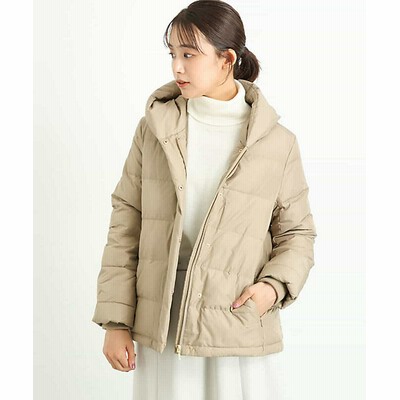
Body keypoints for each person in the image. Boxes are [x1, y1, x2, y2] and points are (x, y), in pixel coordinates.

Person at [92, 1, 317, 399]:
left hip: (236, 326)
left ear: (226, 59)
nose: (177, 67)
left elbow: (297, 233)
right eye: (172, 55)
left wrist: (272, 288)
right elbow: (126, 224)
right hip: (163, 323)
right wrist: (116, 321)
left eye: (189, 55)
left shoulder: (277, 143)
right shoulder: (154, 130)